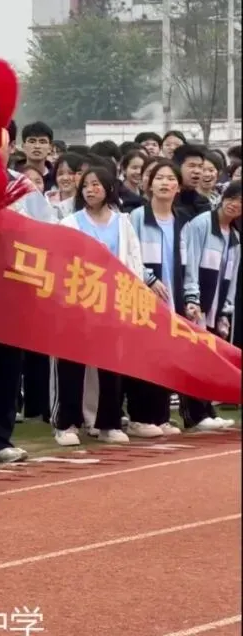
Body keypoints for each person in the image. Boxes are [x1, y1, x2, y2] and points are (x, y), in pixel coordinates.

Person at [54, 166, 145, 447]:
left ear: (108, 188)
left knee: (111, 367)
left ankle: (109, 423)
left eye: (95, 184)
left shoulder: (123, 223)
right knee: (72, 365)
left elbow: (134, 261)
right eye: (85, 186)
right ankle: (67, 424)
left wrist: (134, 295)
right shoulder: (70, 223)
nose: (89, 190)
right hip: (78, 304)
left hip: (113, 304)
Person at [126, 161, 188, 439]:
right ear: (149, 184)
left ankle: (161, 416)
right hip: (143, 298)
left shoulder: (182, 221)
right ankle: (139, 417)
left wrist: (191, 297)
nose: (165, 183)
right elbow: (130, 256)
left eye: (170, 178)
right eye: (159, 178)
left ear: (178, 187)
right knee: (144, 357)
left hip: (173, 301)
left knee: (167, 358)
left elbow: (189, 263)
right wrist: (149, 279)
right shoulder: (136, 217)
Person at [181, 181, 241, 431]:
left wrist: (226, 311)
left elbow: (232, 279)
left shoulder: (235, 237)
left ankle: (206, 409)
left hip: (216, 310)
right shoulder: (201, 224)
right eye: (232, 198)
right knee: (194, 358)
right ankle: (194, 413)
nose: (235, 205)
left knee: (208, 360)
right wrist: (191, 297)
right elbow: (190, 262)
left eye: (240, 202)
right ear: (223, 197)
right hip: (198, 305)